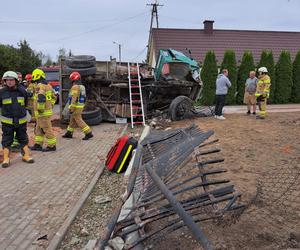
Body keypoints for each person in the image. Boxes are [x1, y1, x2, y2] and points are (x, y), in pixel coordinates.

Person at [0, 71, 34, 168]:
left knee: (23, 139)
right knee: (7, 140)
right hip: (7, 122)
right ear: (4, 81)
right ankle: (6, 158)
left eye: (11, 80)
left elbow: (26, 102)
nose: (9, 82)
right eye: (7, 80)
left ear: (16, 80)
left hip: (21, 121)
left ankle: (26, 156)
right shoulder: (1, 92)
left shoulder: (22, 91)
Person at [30, 69, 57, 152]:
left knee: (47, 129)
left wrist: (40, 109)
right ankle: (38, 145)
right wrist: (50, 105)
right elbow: (54, 97)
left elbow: (41, 98)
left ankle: (52, 146)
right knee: (38, 129)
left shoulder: (39, 86)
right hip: (45, 112)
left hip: (42, 113)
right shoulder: (48, 86)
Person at [62, 72, 93, 140]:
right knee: (72, 120)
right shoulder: (82, 86)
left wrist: (71, 108)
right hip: (80, 106)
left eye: (71, 79)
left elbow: (74, 98)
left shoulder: (75, 87)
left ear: (73, 79)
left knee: (78, 119)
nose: (71, 81)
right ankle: (69, 133)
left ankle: (88, 133)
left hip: (75, 107)